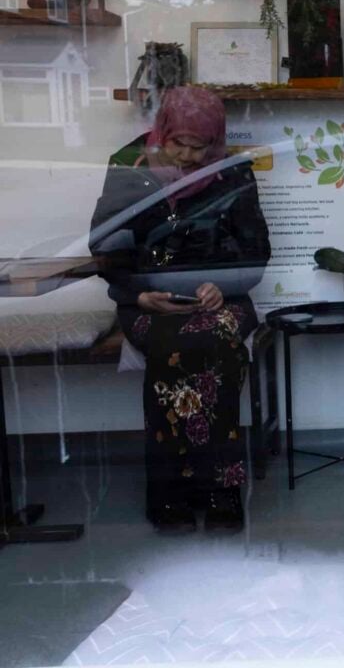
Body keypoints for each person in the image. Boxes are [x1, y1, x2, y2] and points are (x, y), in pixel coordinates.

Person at [91, 86, 270, 534]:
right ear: (162, 134)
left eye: (200, 147)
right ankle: (172, 492)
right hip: (145, 299)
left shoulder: (233, 171)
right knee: (174, 342)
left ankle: (221, 490)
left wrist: (222, 284)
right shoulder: (129, 164)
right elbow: (106, 249)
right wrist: (138, 296)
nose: (189, 158)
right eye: (178, 145)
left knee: (218, 343)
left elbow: (257, 251)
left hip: (221, 298)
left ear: (216, 142)